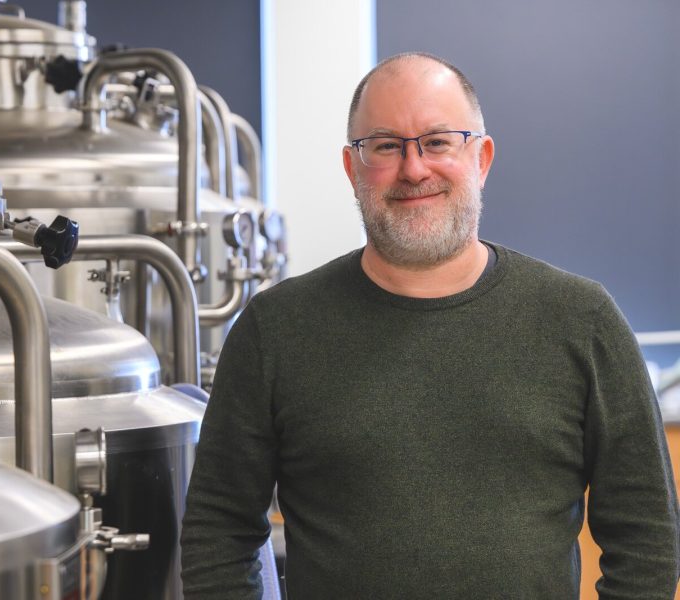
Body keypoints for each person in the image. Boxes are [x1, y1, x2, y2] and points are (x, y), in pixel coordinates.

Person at [180, 52, 680, 599]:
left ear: (482, 158)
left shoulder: (582, 320)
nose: (414, 169)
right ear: (352, 168)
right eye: (386, 146)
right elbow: (218, 532)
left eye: (438, 141)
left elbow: (648, 538)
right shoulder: (274, 329)